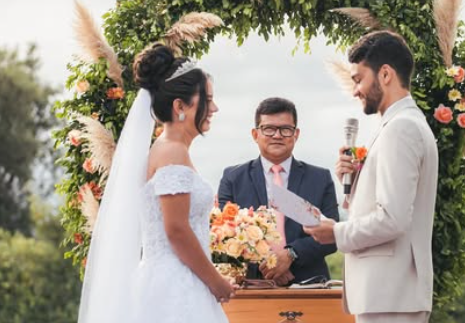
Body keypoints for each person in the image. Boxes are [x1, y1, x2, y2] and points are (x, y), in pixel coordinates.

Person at [78, 43, 234, 323]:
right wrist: (216, 281)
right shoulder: (172, 152)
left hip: (174, 279)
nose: (214, 108)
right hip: (176, 287)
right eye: (207, 100)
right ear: (179, 106)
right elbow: (176, 230)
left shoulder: (168, 149)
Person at [304, 31, 438, 323]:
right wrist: (353, 183)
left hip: (392, 293)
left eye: (358, 79)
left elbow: (393, 218)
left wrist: (336, 233)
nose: (355, 91)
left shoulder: (401, 128)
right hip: (389, 293)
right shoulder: (400, 124)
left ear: (386, 74)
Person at [218, 97, 339, 286]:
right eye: (269, 129)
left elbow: (333, 236)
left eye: (285, 129)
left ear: (296, 134)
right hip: (251, 285)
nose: (277, 135)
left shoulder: (319, 178)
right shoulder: (233, 178)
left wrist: (291, 254)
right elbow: (224, 234)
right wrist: (270, 263)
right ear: (255, 134)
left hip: (310, 285)